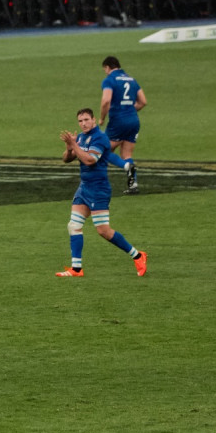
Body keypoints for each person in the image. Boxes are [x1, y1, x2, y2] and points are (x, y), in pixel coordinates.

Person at [56, 107, 147, 278]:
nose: (83, 123)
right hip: (84, 187)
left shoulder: (100, 138)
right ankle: (76, 269)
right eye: (80, 121)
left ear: (93, 119)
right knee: (74, 226)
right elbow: (66, 159)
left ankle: (137, 255)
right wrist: (69, 148)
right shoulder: (81, 137)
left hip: (99, 190)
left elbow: (90, 160)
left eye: (86, 120)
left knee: (103, 231)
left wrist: (74, 145)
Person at [99, 56, 146, 194]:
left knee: (102, 151)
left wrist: (102, 118)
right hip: (134, 120)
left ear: (107, 67)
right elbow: (143, 101)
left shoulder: (109, 80)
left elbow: (106, 101)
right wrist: (130, 110)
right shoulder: (131, 79)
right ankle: (133, 184)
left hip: (118, 121)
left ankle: (125, 167)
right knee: (126, 154)